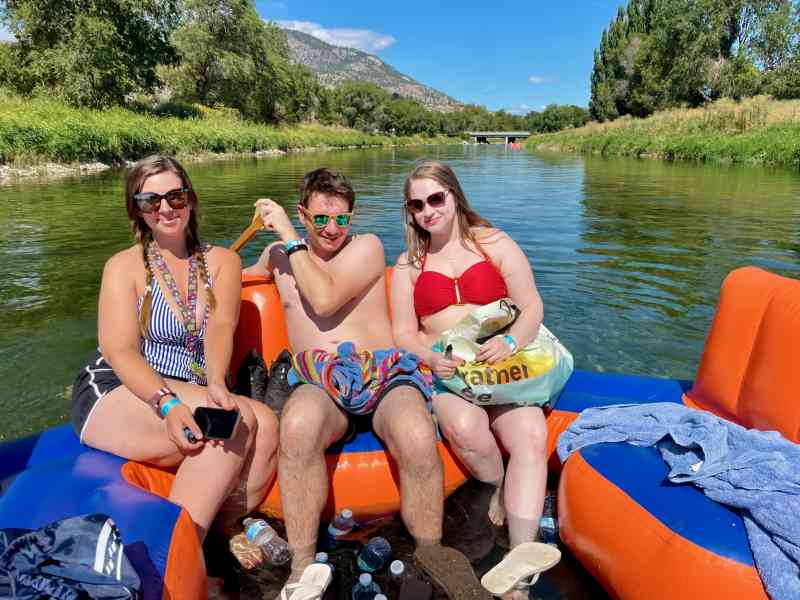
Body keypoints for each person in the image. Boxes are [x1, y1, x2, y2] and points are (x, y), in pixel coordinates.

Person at [244, 168, 488, 600]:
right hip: (320, 379)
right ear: (303, 215)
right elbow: (237, 275)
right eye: (320, 219)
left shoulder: (367, 247)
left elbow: (323, 297)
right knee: (297, 424)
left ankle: (431, 552)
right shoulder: (280, 255)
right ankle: (302, 569)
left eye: (341, 219)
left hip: (381, 372)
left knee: (415, 432)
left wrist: (287, 234)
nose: (332, 229)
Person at [70, 155, 279, 564]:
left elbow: (221, 328)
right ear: (139, 210)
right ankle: (174, 561)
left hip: (193, 382)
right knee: (236, 425)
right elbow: (120, 351)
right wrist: (166, 404)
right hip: (119, 384)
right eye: (151, 201)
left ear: (191, 200)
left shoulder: (223, 262)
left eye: (175, 197)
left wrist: (217, 383)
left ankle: (222, 530)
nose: (165, 209)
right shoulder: (124, 266)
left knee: (267, 425)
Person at [391, 160, 558, 600]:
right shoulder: (408, 264)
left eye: (435, 198)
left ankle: (520, 565)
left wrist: (512, 344)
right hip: (451, 376)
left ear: (454, 195)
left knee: (531, 433)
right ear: (410, 212)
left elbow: (532, 306)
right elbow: (403, 333)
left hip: (504, 368)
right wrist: (429, 357)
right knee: (465, 430)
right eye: (417, 204)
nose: (428, 211)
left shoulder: (496, 243)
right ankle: (501, 486)